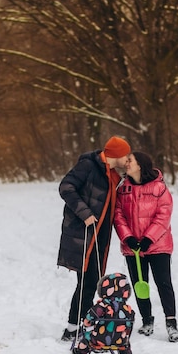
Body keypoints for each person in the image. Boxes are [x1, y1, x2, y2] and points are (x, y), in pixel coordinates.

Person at [57, 136, 131, 342]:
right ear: (115, 154)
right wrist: (85, 213)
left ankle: (85, 323)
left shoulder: (115, 173)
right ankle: (72, 328)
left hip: (101, 236)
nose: (128, 158)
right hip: (83, 233)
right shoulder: (88, 166)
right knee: (86, 283)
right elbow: (66, 187)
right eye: (125, 154)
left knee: (93, 282)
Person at [114, 151, 178, 342]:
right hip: (133, 248)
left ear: (140, 165)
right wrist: (128, 238)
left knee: (163, 283)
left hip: (158, 244)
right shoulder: (123, 189)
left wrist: (148, 239)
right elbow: (118, 216)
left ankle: (171, 323)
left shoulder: (158, 188)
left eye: (130, 161)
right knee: (139, 284)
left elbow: (164, 215)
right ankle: (147, 321)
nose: (126, 163)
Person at [71, 273, 135, 354]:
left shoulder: (103, 305)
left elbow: (91, 315)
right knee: (125, 342)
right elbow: (130, 322)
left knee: (86, 338)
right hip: (120, 340)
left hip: (99, 338)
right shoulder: (127, 308)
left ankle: (80, 352)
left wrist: (87, 322)